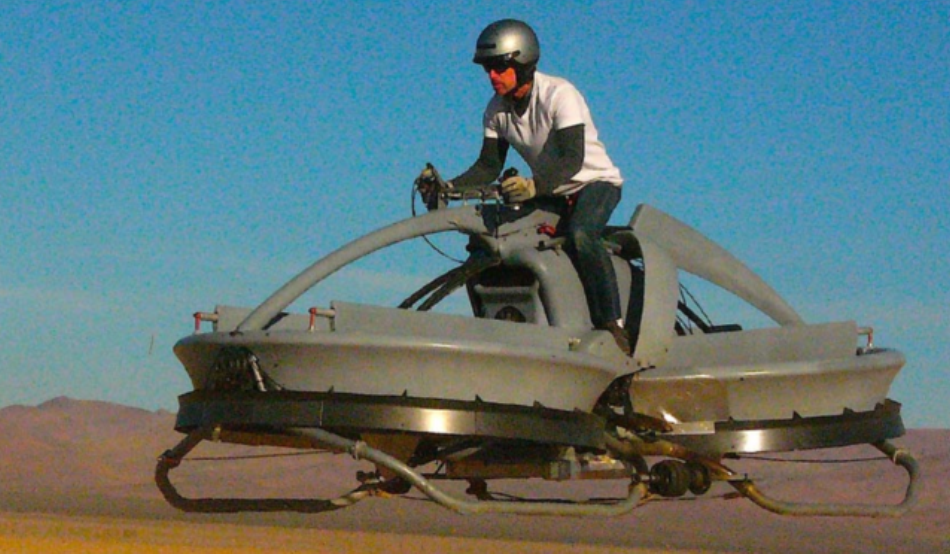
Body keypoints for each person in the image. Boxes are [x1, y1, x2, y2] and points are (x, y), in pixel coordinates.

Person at [420, 19, 631, 355]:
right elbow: (488, 167)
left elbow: (573, 161)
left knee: (581, 235)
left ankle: (612, 325)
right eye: (488, 69)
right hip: (550, 192)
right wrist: (447, 187)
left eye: (500, 68)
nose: (492, 76)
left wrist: (534, 187)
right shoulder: (495, 111)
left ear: (523, 64)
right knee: (495, 236)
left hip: (593, 184)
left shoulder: (561, 95)